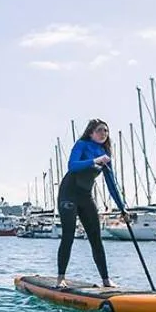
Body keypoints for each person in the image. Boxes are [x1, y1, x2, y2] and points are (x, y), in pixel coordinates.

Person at [56, 118, 127, 290]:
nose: (104, 133)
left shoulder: (105, 153)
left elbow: (111, 184)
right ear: (91, 133)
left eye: (106, 131)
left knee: (96, 237)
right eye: (100, 130)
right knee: (68, 235)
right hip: (68, 194)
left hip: (85, 196)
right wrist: (94, 161)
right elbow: (72, 166)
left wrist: (122, 208)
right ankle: (61, 278)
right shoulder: (82, 145)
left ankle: (106, 280)